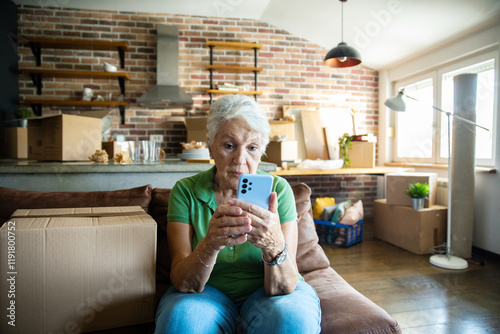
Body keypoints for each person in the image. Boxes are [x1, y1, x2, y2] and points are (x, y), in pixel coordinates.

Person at [155, 94, 321, 334]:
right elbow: (183, 282)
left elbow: (285, 285)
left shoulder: (279, 190)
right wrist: (210, 244)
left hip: (267, 294)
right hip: (205, 294)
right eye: (229, 145)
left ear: (261, 151)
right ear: (211, 146)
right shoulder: (185, 191)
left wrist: (273, 246)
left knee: (293, 321)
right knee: (182, 322)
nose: (240, 160)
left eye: (252, 148)